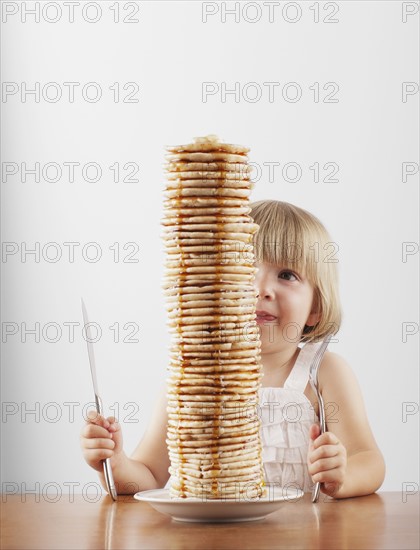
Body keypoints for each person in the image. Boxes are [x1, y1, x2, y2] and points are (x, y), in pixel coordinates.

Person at [80, 199, 385, 498]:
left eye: (287, 275)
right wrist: (114, 463)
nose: (260, 289)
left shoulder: (324, 374)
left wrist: (342, 475)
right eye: (244, 269)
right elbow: (148, 476)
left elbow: (369, 460)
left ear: (316, 308)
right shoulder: (190, 376)